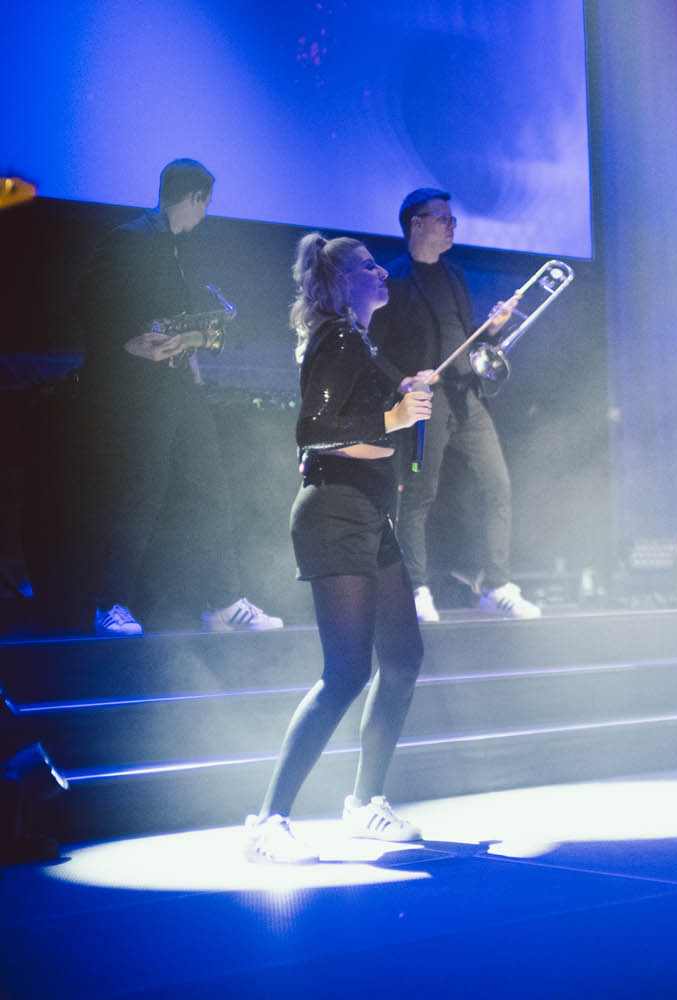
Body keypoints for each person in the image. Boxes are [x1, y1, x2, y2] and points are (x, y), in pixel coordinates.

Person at [243, 233, 435, 863]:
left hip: (368, 513)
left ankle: (363, 804)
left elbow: (364, 412)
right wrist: (394, 418)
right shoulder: (342, 337)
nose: (384, 272)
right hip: (335, 512)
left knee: (402, 657)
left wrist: (403, 393)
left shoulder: (357, 341)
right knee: (347, 672)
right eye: (369, 266)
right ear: (342, 281)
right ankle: (268, 820)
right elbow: (313, 429)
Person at [75, 158, 283, 636]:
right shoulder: (129, 238)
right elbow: (84, 304)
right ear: (193, 198)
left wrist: (191, 352)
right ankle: (109, 603)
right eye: (205, 204)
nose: (205, 214)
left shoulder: (176, 248)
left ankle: (224, 601)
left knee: (211, 489)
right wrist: (126, 342)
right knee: (140, 492)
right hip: (137, 390)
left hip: (178, 388)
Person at [367, 188, 538, 623]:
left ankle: (497, 585)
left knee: (497, 486)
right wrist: (403, 381)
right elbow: (371, 350)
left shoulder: (455, 276)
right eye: (442, 218)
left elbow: (465, 340)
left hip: (467, 399)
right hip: (426, 404)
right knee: (418, 496)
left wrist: (493, 329)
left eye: (452, 219)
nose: (452, 226)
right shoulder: (392, 279)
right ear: (416, 223)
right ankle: (415, 588)